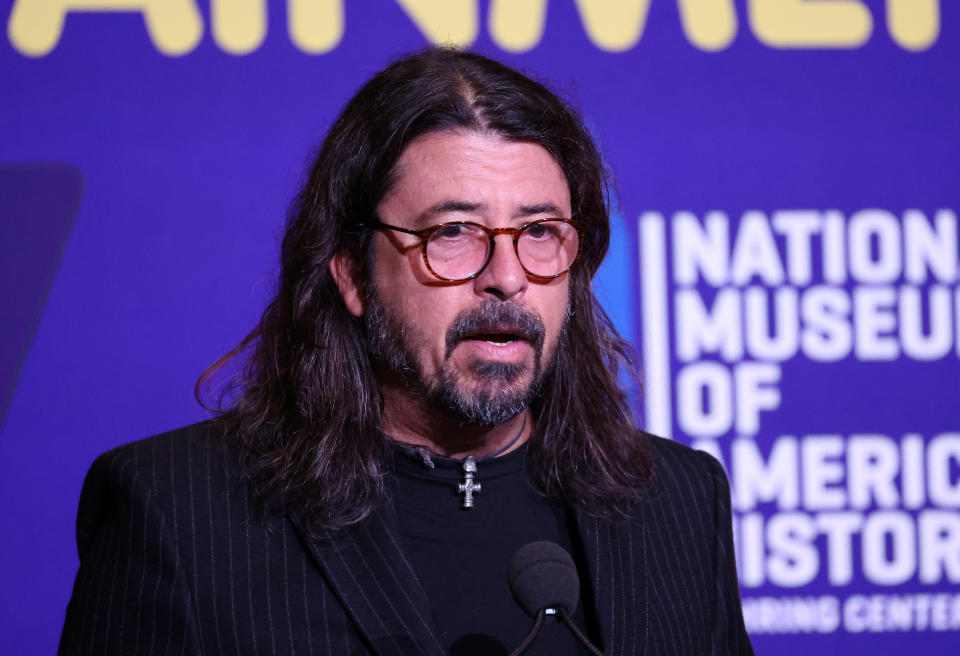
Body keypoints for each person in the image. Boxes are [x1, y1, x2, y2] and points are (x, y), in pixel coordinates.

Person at [60, 48, 753, 655]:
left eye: (540, 232)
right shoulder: (177, 512)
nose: (507, 277)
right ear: (354, 274)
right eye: (453, 231)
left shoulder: (679, 501)